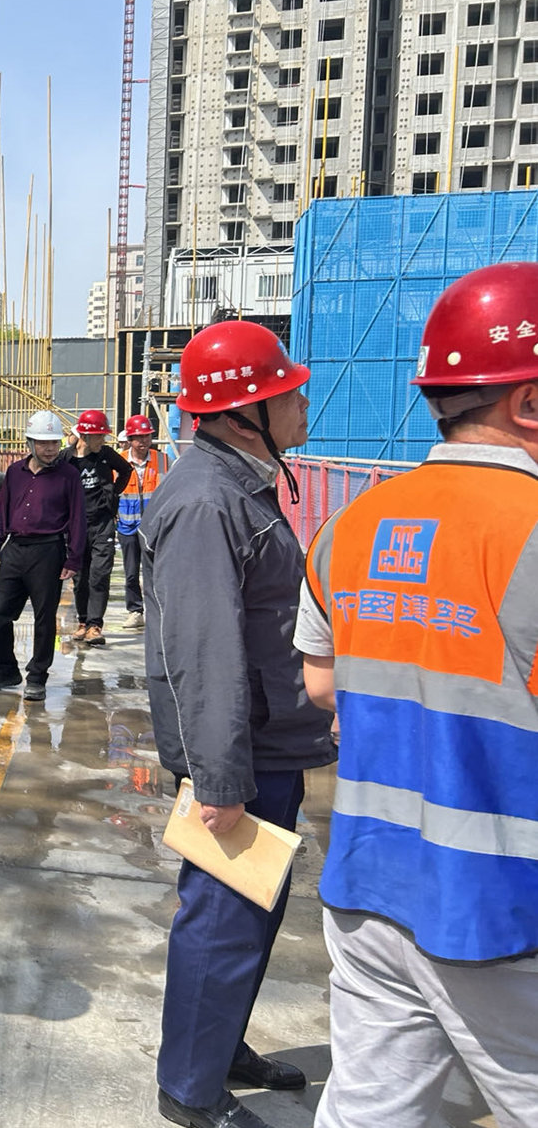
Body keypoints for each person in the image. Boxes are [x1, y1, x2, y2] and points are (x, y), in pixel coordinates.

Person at [297, 262, 538, 1128]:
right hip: (501, 908)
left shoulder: (349, 525)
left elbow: (320, 681)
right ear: (527, 401)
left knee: (369, 1108)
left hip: (367, 882)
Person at [140, 321, 335, 1128]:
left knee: (252, 912)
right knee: (222, 920)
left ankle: (219, 1047)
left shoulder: (238, 484)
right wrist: (218, 778)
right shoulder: (204, 500)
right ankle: (189, 1088)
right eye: (287, 391)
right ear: (241, 411)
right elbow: (203, 650)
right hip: (239, 756)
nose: (301, 401)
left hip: (267, 744)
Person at [0, 409, 85, 703]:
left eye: (54, 443)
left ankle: (37, 677)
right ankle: (5, 669)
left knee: (44, 618)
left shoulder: (69, 476)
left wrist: (73, 559)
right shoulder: (15, 472)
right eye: (43, 443)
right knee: (0, 611)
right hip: (14, 550)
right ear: (30, 443)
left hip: (48, 552)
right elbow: (2, 511)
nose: (50, 449)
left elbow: (78, 520)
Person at [58, 409, 133, 646]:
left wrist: (112, 495)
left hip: (102, 523)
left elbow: (126, 470)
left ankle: (95, 625)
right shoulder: (65, 459)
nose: (103, 440)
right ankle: (83, 622)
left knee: (100, 574)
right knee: (80, 577)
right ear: (85, 436)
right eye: (99, 436)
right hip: (75, 527)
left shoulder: (106, 455)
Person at [116, 414, 168, 631]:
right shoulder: (118, 461)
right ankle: (135, 611)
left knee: (154, 572)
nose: (144, 441)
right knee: (131, 573)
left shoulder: (162, 460)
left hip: (153, 528)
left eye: (147, 436)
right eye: (138, 437)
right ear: (130, 439)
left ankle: (157, 612)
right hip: (127, 526)